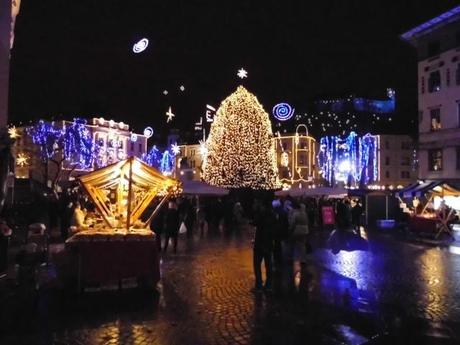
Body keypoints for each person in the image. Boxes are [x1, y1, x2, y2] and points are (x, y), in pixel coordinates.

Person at [252, 199, 275, 291]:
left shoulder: (261, 214)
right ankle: (269, 284)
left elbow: (255, 222)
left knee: (257, 264)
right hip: (269, 242)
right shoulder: (272, 214)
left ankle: (258, 284)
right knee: (268, 264)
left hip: (260, 242)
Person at [288, 202, 309, 290]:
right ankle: (303, 258)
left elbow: (292, 223)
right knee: (302, 245)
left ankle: (291, 257)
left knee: (293, 243)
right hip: (305, 230)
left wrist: (290, 230)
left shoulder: (295, 214)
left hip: (297, 231)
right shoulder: (304, 213)